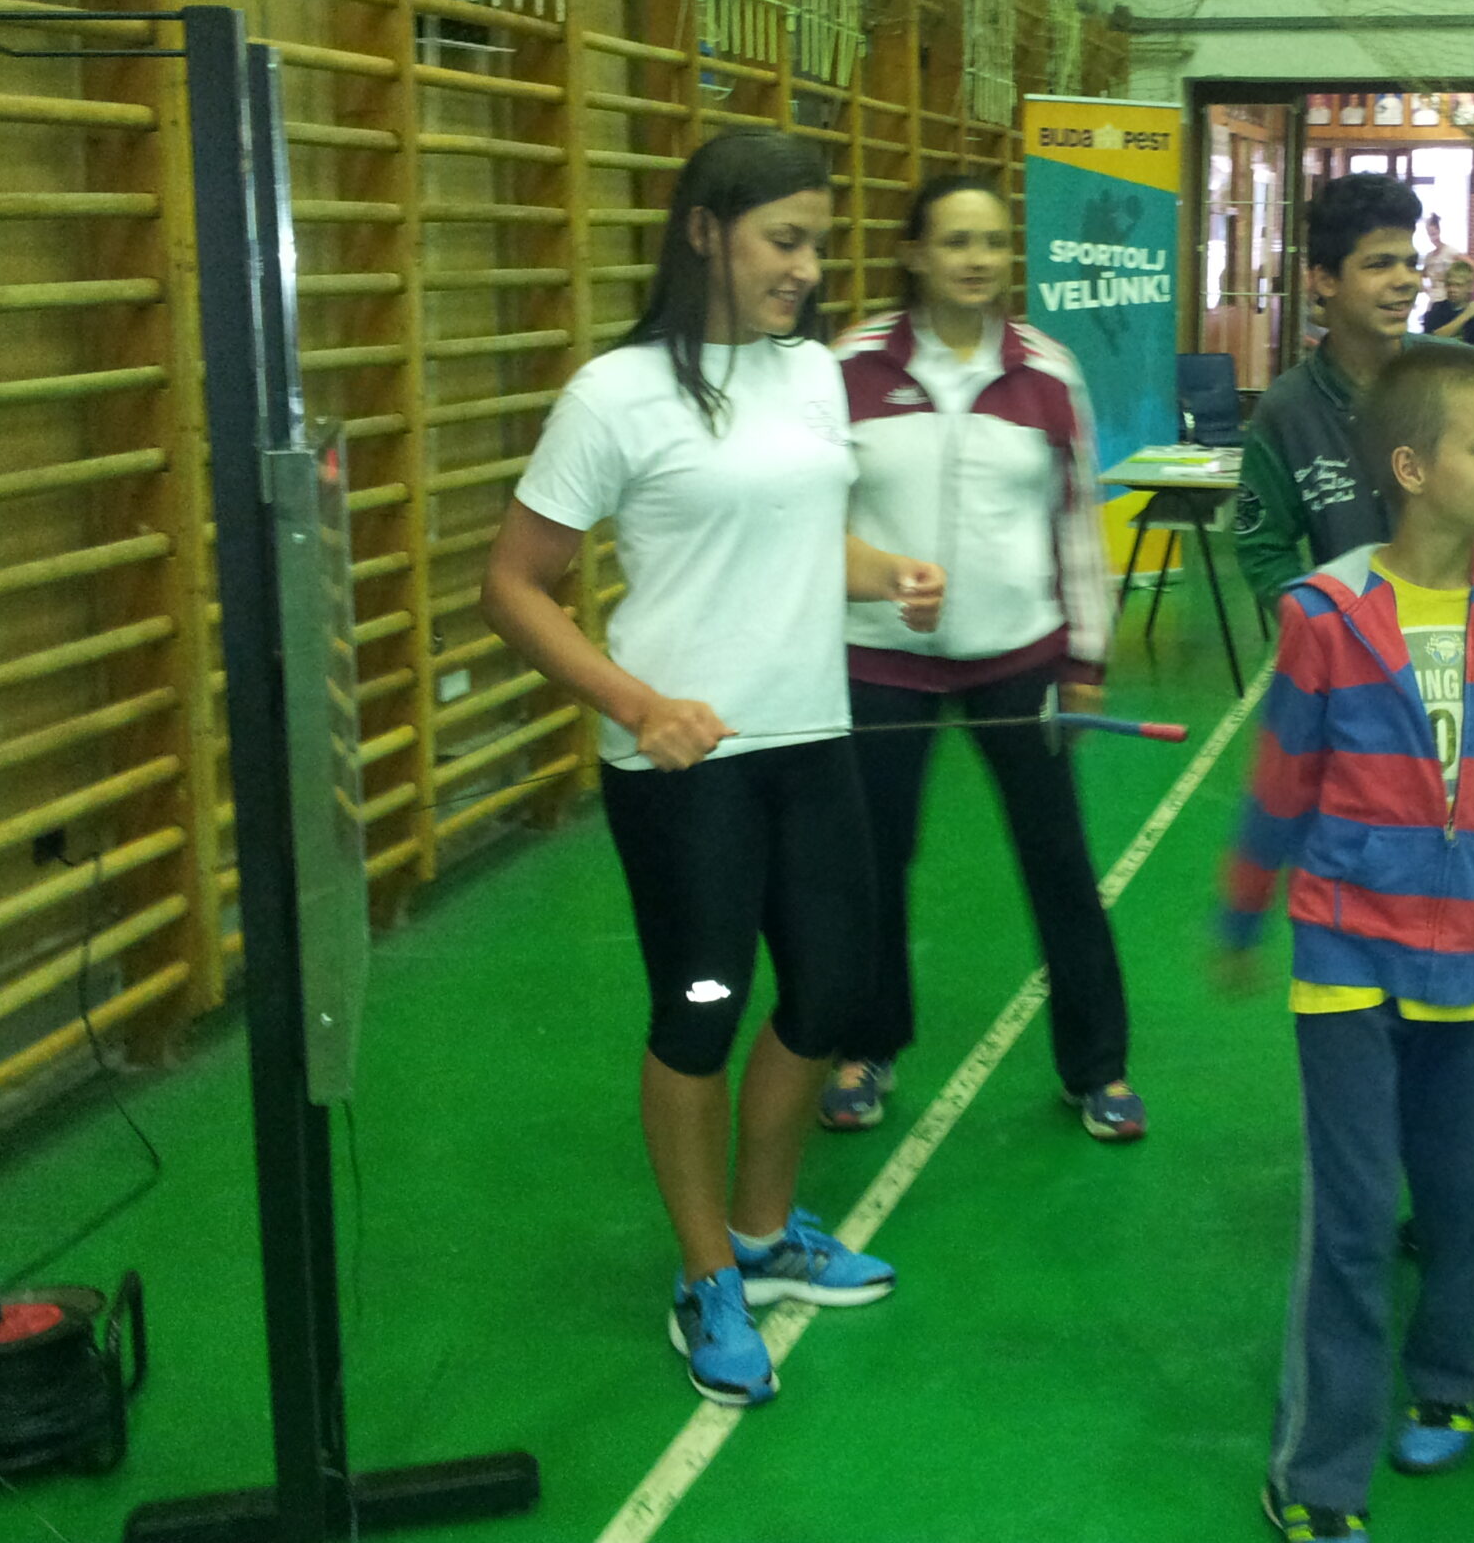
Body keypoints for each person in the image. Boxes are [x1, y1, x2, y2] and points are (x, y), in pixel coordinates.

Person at [482, 129, 945, 1408]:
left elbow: (800, 537)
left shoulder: (810, 374)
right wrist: (636, 703)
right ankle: (703, 1275)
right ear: (703, 233)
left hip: (811, 740)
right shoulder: (615, 394)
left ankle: (763, 1230)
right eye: (782, 240)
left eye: (816, 244)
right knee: (701, 1006)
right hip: (683, 769)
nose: (806, 268)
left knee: (833, 990)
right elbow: (513, 586)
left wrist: (887, 575)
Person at [1219, 343, 1474, 1541]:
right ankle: (1316, 1474)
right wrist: (1245, 908)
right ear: (1410, 468)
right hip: (1347, 960)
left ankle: (1450, 1379)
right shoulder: (1326, 616)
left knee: (1464, 1200)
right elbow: (1283, 781)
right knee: (1348, 1228)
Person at [824, 175, 1144, 1142]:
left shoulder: (1048, 371)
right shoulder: (849, 367)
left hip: (1019, 658)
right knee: (872, 862)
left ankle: (1098, 1066)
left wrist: (1086, 654)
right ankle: (866, 1046)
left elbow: (1076, 519)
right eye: (956, 241)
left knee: (1059, 860)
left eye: (992, 242)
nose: (977, 259)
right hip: (879, 661)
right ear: (914, 254)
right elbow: (817, 516)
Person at [1235, 173, 1474, 609]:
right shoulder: (1290, 408)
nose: (1406, 280)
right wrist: (1322, 625)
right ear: (1324, 279)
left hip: (1470, 628)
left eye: (1410, 263)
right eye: (1379, 264)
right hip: (1351, 640)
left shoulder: (1461, 376)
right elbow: (1262, 547)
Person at [1421, 256, 1474, 348]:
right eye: (1449, 284)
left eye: (1458, 285)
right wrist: (1465, 315)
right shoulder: (1436, 309)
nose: (1452, 289)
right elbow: (1431, 341)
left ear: (1470, 288)